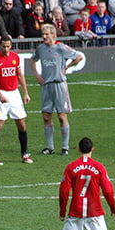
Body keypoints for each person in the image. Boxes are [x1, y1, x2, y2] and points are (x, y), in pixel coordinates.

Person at [29, 24, 83, 156]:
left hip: (59, 84)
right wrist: (37, 75)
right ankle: (50, 147)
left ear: (53, 35)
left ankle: (65, 147)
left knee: (61, 115)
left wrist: (66, 67)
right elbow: (32, 59)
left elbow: (79, 56)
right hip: (46, 86)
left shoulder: (60, 47)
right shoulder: (41, 48)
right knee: (46, 115)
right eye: (43, 34)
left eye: (46, 34)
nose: (44, 37)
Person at [0, 36, 33, 165]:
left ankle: (24, 154)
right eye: (3, 46)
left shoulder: (15, 57)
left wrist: (26, 93)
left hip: (14, 93)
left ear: (11, 45)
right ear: (0, 46)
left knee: (21, 123)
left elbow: (20, 75)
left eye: (8, 46)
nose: (6, 49)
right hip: (1, 93)